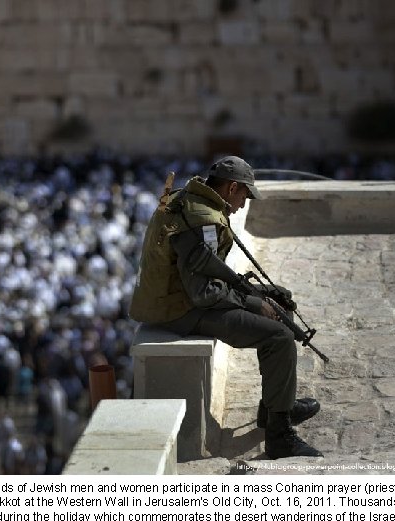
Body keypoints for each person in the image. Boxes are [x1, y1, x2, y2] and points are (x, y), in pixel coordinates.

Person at [129, 155, 322, 459]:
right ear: (232, 188)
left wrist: (263, 294)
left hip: (181, 298)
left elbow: (209, 277)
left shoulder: (191, 199)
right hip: (181, 310)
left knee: (278, 304)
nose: (244, 204)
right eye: (244, 195)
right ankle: (279, 435)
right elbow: (203, 293)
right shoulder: (203, 219)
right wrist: (255, 303)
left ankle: (273, 408)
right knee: (279, 337)